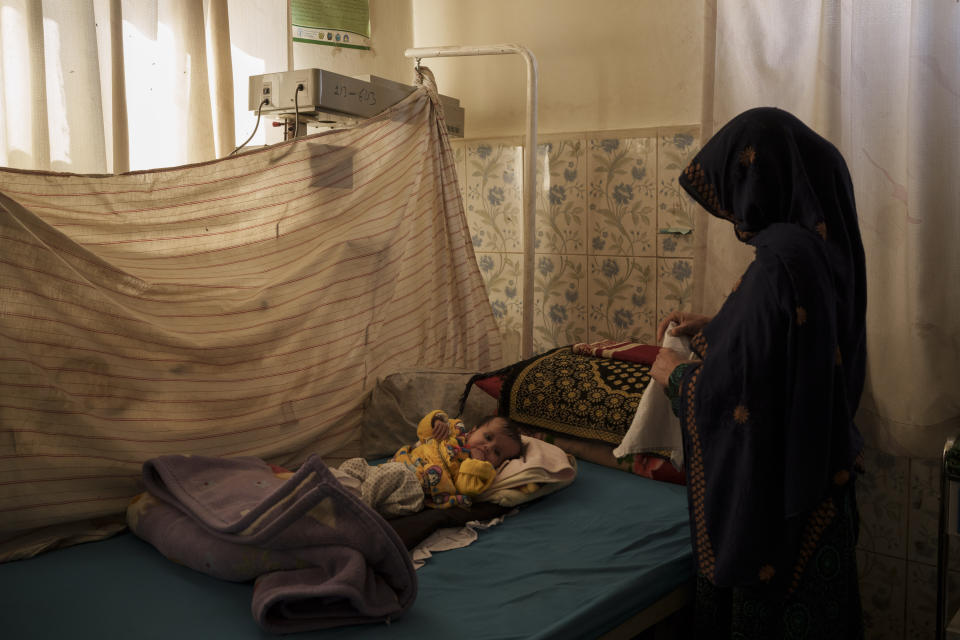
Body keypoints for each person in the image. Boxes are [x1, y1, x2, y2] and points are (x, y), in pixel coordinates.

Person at [649, 107, 866, 639]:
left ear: (757, 177)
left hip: (777, 521)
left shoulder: (781, 257)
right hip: (822, 489)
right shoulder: (819, 245)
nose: (737, 215)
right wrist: (716, 325)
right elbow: (788, 346)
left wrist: (678, 377)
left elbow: (744, 394)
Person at [391, 410, 524, 509]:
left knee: (388, 508)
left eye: (497, 452)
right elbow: (424, 433)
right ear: (472, 432)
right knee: (381, 481)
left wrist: (475, 464)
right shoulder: (454, 432)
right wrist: (436, 423)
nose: (488, 447)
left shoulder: (482, 472)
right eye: (488, 437)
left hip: (419, 489)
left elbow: (466, 488)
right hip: (406, 464)